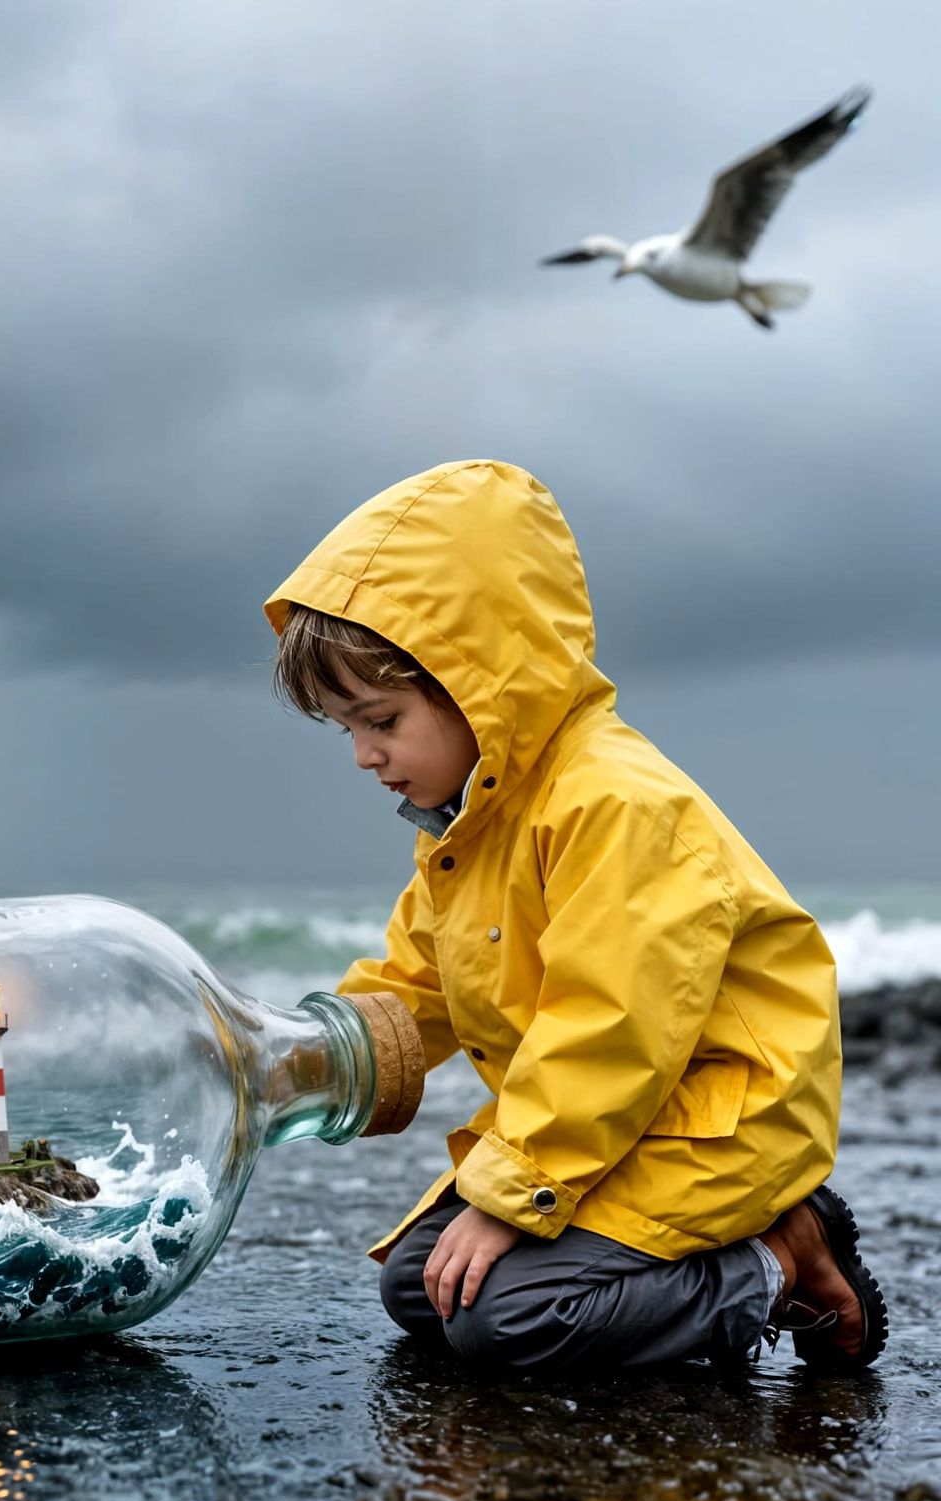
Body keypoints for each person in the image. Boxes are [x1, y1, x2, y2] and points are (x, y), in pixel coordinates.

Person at [264, 459, 886, 1373]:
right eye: (347, 729)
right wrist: (290, 1067)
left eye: (382, 720)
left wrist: (510, 1193)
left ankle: (780, 1259)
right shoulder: (473, 824)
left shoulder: (614, 804)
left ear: (478, 683)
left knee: (502, 1318)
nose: (364, 755)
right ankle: (728, 1248)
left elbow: (612, 1027)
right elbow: (416, 984)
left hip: (715, 1117)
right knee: (418, 1287)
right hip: (623, 1119)